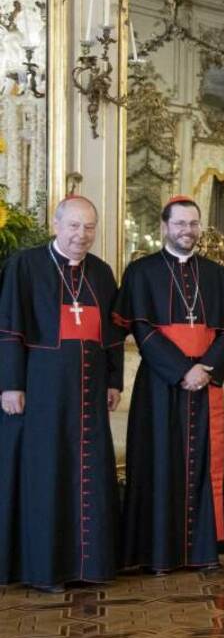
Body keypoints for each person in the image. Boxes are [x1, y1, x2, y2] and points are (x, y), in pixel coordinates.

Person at [0, 196, 124, 592]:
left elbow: (112, 335)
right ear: (56, 224)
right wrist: (10, 384)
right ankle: (45, 567)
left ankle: (90, 564)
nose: (80, 235)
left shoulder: (102, 273)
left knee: (89, 471)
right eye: (73, 226)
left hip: (88, 392)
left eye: (89, 227)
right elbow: (9, 327)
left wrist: (113, 381)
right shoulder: (26, 265)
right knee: (48, 472)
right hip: (42, 391)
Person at [113, 195, 224, 574]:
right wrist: (181, 371)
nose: (188, 231)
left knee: (204, 463)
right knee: (158, 462)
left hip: (205, 383)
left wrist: (206, 368)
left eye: (193, 224)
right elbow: (141, 327)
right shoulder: (141, 272)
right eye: (180, 224)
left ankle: (203, 550)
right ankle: (157, 554)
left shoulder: (216, 275)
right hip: (159, 385)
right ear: (164, 227)